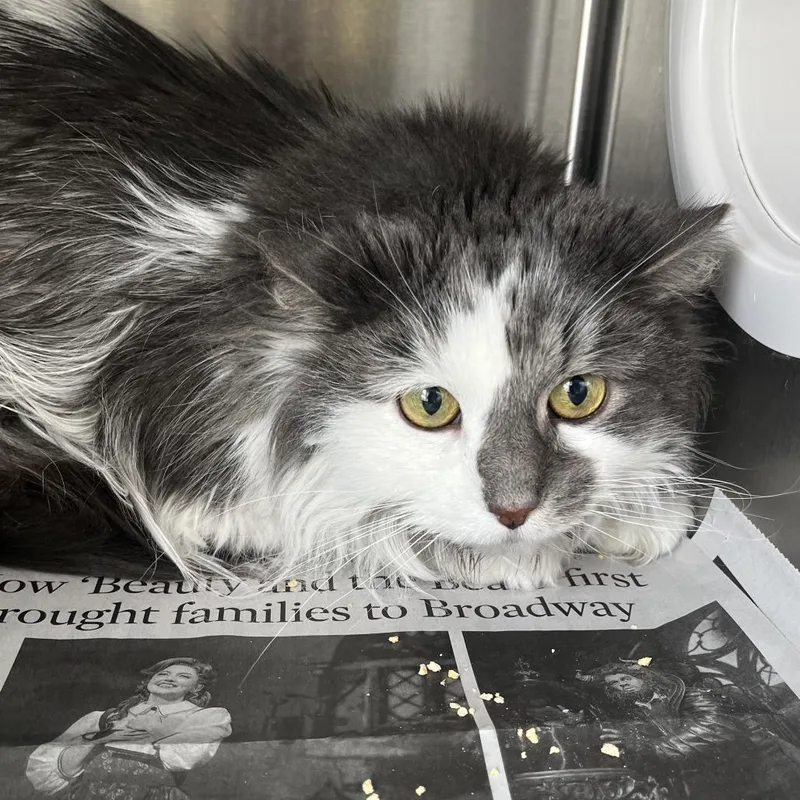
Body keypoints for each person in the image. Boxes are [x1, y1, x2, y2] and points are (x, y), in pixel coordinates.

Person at [26, 657, 232, 799]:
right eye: (164, 673)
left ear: (196, 687)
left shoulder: (205, 718)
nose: (169, 678)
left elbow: (182, 759)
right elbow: (48, 771)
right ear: (150, 680)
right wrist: (101, 739)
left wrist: (150, 726)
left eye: (183, 676)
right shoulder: (102, 718)